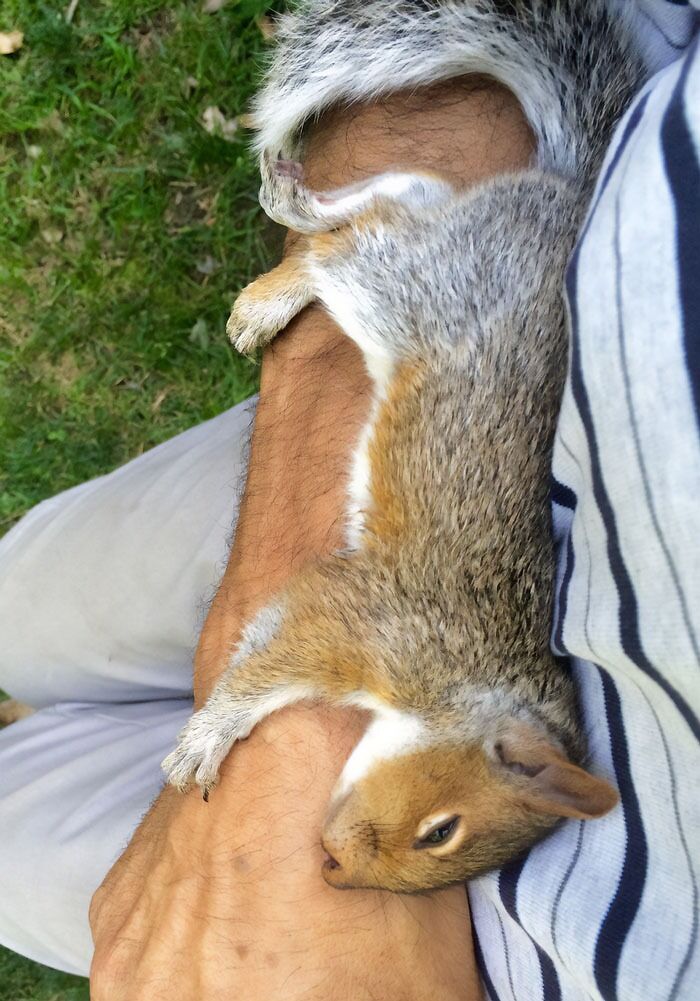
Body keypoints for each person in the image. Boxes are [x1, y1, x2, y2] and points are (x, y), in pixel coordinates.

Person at [0, 2, 698, 998]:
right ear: (518, 755)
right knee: (25, 603)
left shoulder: (485, 748)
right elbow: (338, 619)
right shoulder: (453, 710)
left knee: (15, 828)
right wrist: (252, 727)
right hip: (491, 377)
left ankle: (36, 715)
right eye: (431, 830)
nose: (363, 851)